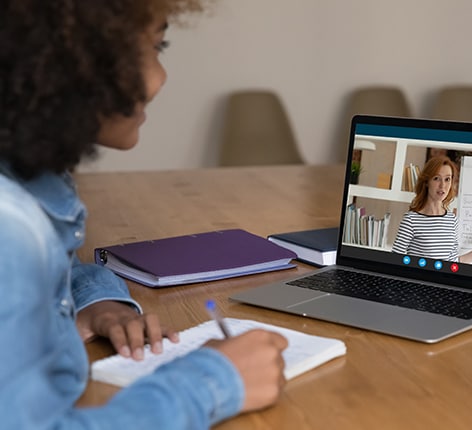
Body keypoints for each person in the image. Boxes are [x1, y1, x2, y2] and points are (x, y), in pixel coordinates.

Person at [0, 1, 288, 428]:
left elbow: (46, 271)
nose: (161, 76)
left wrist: (96, 299)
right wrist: (213, 381)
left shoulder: (27, 179)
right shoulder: (12, 227)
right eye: (155, 45)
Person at [392, 156, 472, 263]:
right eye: (436, 178)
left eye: (447, 179)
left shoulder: (452, 220)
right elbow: (394, 261)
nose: (442, 186)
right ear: (426, 182)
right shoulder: (411, 220)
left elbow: (453, 263)